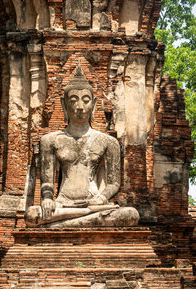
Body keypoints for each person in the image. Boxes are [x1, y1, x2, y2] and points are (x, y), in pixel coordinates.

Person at [25, 66, 139, 228]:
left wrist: (100, 199)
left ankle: (62, 225)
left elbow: (114, 184)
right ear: (64, 105)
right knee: (31, 214)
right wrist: (48, 199)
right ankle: (80, 221)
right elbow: (47, 182)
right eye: (73, 100)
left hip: (95, 204)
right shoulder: (50, 140)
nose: (79, 106)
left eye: (85, 100)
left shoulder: (108, 142)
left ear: (93, 104)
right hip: (63, 204)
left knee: (130, 215)